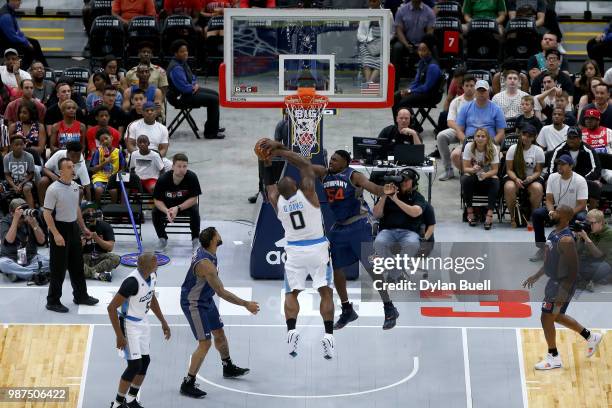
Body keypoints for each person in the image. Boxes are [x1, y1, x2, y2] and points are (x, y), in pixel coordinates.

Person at [260, 139, 337, 359]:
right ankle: (329, 335)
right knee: (325, 291)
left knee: (291, 293)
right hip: (316, 247)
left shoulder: (277, 202)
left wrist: (266, 162)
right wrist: (280, 151)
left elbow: (269, 186)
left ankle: (292, 331)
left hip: (294, 250)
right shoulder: (308, 195)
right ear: (296, 187)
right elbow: (304, 164)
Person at [312, 150, 399, 330]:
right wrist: (281, 151)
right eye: (331, 159)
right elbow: (303, 165)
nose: (331, 162)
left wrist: (385, 190)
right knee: (336, 270)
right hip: (339, 227)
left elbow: (374, 188)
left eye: (335, 160)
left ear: (345, 162)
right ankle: (347, 309)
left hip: (359, 225)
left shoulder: (354, 175)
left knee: (371, 267)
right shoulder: (324, 174)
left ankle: (389, 307)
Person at [179, 227, 258, 398]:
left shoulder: (207, 250)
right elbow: (221, 292)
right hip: (194, 303)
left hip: (205, 298)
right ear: (214, 240)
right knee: (205, 343)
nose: (220, 235)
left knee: (219, 333)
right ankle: (188, 383)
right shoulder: (206, 264)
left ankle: (227, 367)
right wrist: (246, 304)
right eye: (217, 234)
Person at [522, 205, 603, 370]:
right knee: (556, 317)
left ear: (565, 217)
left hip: (562, 284)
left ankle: (553, 357)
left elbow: (574, 270)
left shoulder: (566, 240)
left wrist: (562, 293)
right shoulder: (554, 233)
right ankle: (591, 337)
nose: (551, 212)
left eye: (556, 211)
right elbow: (549, 261)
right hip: (554, 282)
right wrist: (536, 276)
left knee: (546, 318)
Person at [107, 252, 171, 408]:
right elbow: (111, 308)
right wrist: (119, 335)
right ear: (147, 266)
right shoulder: (131, 282)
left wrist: (163, 321)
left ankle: (131, 399)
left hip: (143, 322)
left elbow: (151, 297)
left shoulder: (153, 275)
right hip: (128, 325)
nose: (158, 262)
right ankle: (117, 404)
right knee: (134, 365)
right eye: (155, 261)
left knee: (145, 362)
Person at [43, 157, 99, 313]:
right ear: (61, 171)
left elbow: (76, 209)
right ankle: (52, 301)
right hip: (59, 229)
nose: (73, 169)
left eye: (73, 166)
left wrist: (83, 228)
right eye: (69, 167)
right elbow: (47, 214)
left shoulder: (75, 186)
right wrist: (56, 234)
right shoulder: (53, 189)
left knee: (77, 265)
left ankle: (81, 296)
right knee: (58, 268)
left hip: (73, 228)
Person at [530, 154, 587, 261]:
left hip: (574, 211)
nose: (559, 166)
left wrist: (567, 215)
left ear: (571, 166)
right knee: (537, 214)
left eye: (563, 164)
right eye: (558, 164)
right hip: (557, 210)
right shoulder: (552, 177)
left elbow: (582, 204)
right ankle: (542, 248)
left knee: (582, 219)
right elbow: (549, 200)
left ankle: (579, 251)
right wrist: (551, 211)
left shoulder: (580, 180)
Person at [373, 168, 426, 280]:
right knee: (378, 243)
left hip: (409, 232)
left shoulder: (417, 197)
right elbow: (376, 215)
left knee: (412, 244)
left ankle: (393, 274)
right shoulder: (388, 195)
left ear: (413, 182)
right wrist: (384, 196)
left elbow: (415, 212)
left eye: (407, 180)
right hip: (388, 231)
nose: (404, 183)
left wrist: (395, 199)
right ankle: (397, 273)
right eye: (402, 180)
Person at [167, 39, 224, 139]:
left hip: (187, 92)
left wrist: (194, 85)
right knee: (213, 100)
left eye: (186, 51)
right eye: (182, 51)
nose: (185, 53)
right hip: (179, 98)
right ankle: (210, 133)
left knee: (215, 94)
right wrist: (193, 87)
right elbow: (184, 88)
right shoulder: (176, 68)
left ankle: (213, 126)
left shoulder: (182, 62)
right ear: (176, 53)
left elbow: (192, 77)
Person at [450, 80, 506, 170]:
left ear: (488, 92)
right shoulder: (465, 108)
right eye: (479, 91)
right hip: (470, 142)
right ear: (475, 92)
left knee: (500, 156)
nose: (481, 93)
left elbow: (501, 132)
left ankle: (491, 176)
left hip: (490, 142)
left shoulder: (497, 109)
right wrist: (466, 142)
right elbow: (459, 130)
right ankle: (467, 174)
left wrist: (491, 143)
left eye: (484, 91)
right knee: (455, 155)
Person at [152, 153, 202, 251]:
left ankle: (195, 239)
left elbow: (194, 199)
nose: (182, 169)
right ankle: (162, 238)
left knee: (195, 211)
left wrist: (178, 208)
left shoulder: (192, 177)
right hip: (168, 206)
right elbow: (157, 200)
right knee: (155, 212)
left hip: (184, 206)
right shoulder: (163, 179)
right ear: (173, 167)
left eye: (184, 166)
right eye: (179, 166)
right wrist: (166, 211)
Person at [550, 126, 602, 209]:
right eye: (569, 137)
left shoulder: (588, 150)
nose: (571, 139)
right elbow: (551, 168)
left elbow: (596, 169)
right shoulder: (559, 149)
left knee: (596, 184)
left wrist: (581, 180)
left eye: (574, 137)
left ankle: (592, 214)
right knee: (548, 182)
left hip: (583, 179)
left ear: (580, 138)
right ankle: (554, 210)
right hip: (562, 179)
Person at [504, 124, 545, 227]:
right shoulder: (513, 149)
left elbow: (538, 171)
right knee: (509, 187)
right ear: (520, 135)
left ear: (533, 137)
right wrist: (516, 179)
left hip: (532, 178)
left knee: (537, 188)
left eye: (529, 136)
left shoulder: (538, 150)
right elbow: (509, 169)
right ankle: (513, 217)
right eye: (524, 135)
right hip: (514, 176)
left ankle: (532, 216)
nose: (526, 138)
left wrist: (531, 178)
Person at [437, 74, 476, 180]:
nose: (469, 88)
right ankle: (448, 169)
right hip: (458, 129)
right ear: (462, 87)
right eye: (467, 85)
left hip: (474, 131)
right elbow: (450, 121)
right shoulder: (456, 101)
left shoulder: (479, 100)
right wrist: (459, 131)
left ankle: (472, 170)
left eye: (472, 85)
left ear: (475, 86)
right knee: (441, 136)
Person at [392, 35, 441, 117]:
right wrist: (408, 89)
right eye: (419, 50)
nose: (420, 53)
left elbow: (426, 87)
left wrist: (411, 92)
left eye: (423, 50)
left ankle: (410, 124)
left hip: (430, 95)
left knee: (403, 102)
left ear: (430, 51)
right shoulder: (422, 62)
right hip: (421, 92)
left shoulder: (433, 67)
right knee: (395, 96)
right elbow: (416, 81)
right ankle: (398, 125)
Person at [0, 198, 48, 282]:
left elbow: (42, 241)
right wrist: (15, 220)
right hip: (11, 258)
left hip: (30, 258)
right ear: (12, 213)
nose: (24, 213)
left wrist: (34, 224)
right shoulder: (5, 222)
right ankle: (35, 274)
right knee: (3, 264)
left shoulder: (31, 220)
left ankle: (18, 273)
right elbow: (9, 240)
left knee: (50, 261)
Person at [390, 0, 435, 90]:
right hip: (405, 42)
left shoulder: (429, 12)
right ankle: (393, 86)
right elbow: (398, 30)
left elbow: (430, 32)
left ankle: (431, 86)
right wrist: (406, 44)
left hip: (422, 43)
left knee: (433, 49)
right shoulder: (401, 10)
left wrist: (423, 45)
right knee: (396, 48)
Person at [461, 128, 500, 230]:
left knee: (495, 181)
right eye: (478, 136)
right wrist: (473, 169)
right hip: (473, 176)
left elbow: (495, 170)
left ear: (487, 139)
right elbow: (465, 168)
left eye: (483, 136)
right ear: (474, 138)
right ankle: (470, 211)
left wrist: (486, 175)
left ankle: (489, 214)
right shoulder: (469, 147)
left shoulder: (493, 148)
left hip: (486, 177)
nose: (480, 138)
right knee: (466, 179)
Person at [0, 0, 48, 68]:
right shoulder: (5, 16)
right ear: (11, 1)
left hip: (9, 40)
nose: (20, 2)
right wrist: (27, 43)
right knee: (29, 48)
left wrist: (26, 41)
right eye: (18, 0)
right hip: (4, 45)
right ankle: (23, 69)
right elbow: (12, 37)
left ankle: (44, 67)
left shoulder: (10, 11)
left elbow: (18, 32)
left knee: (34, 42)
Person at [80, 201, 120, 282]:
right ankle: (97, 275)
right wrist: (81, 244)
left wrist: (97, 238)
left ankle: (88, 272)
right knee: (69, 260)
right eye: (87, 211)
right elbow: (72, 252)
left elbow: (110, 248)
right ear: (81, 214)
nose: (91, 213)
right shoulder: (78, 227)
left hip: (100, 256)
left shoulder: (105, 225)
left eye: (93, 211)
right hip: (84, 257)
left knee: (116, 258)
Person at [126, 101, 171, 170]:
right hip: (137, 157)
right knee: (128, 161)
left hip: (155, 157)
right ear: (142, 113)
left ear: (156, 112)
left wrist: (153, 158)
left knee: (170, 165)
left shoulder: (163, 128)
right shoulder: (133, 125)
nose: (149, 112)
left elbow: (164, 149)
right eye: (147, 110)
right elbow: (130, 145)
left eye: (152, 110)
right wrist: (142, 156)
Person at [89, 128, 125, 204]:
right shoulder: (98, 152)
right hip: (99, 177)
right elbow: (93, 169)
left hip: (112, 178)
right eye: (102, 140)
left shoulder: (118, 152)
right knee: (98, 190)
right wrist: (105, 163)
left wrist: (117, 176)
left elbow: (122, 168)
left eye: (106, 138)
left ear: (111, 138)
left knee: (114, 191)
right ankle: (98, 208)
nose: (104, 141)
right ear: (99, 143)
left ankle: (112, 210)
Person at [576, 209, 612, 287]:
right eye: (587, 222)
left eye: (592, 223)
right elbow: (578, 251)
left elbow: (598, 254)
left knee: (592, 270)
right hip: (592, 259)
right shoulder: (590, 229)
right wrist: (579, 238)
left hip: (606, 262)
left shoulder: (608, 234)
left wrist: (586, 237)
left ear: (601, 222)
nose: (589, 225)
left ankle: (606, 276)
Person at [2, 136, 35, 208]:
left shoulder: (29, 156)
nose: (19, 146)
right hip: (12, 181)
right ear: (11, 146)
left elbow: (31, 174)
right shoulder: (7, 157)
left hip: (25, 181)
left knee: (26, 189)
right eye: (16, 144)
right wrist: (14, 185)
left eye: (21, 144)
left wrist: (21, 184)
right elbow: (7, 175)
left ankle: (31, 212)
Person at [357, 0, 383, 84]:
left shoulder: (388, 14)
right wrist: (370, 40)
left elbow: (392, 32)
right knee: (366, 60)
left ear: (380, 1)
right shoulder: (365, 14)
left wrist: (383, 41)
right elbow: (359, 34)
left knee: (381, 60)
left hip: (382, 44)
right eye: (370, 1)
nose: (372, 3)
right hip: (367, 43)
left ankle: (368, 84)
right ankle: (370, 84)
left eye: (374, 1)